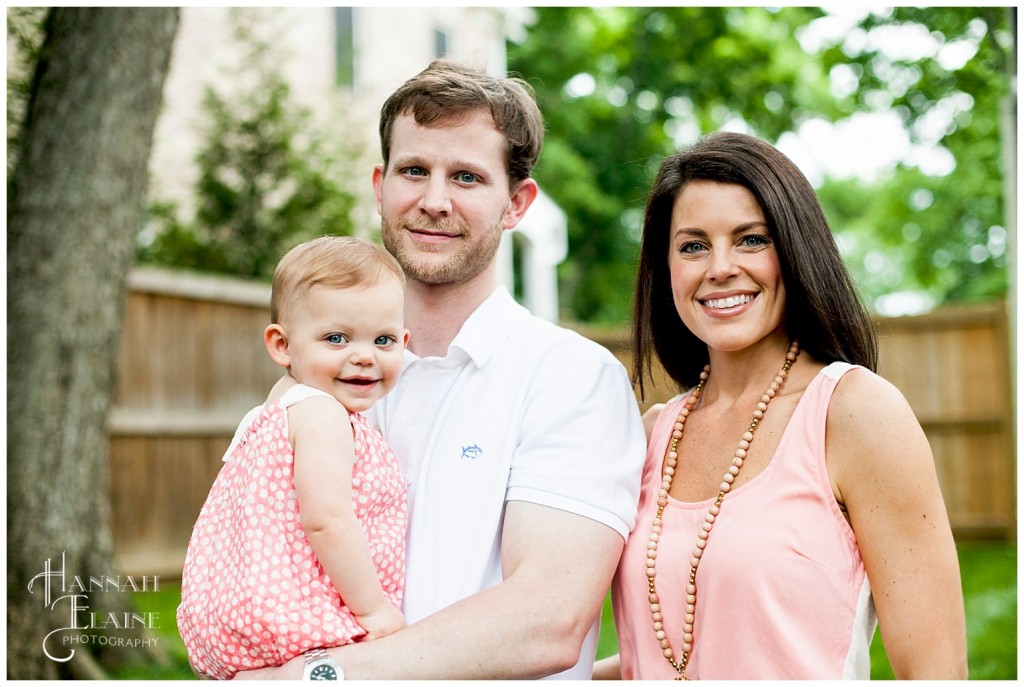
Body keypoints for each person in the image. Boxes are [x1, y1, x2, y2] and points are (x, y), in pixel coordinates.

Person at [238, 59, 647, 680]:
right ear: (379, 185)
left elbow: (547, 620)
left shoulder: (571, 378)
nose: (433, 201)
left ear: (516, 203)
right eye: (413, 171)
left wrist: (320, 678)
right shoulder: (318, 379)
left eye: (465, 177)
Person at [592, 131, 968, 680]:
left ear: (795, 250)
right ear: (666, 269)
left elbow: (936, 671)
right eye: (693, 245)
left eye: (751, 240)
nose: (719, 266)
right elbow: (674, 651)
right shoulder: (652, 433)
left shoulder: (855, 414)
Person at [177, 236, 410, 680]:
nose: (363, 356)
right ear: (282, 345)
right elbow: (328, 520)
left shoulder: (283, 403)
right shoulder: (323, 415)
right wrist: (375, 608)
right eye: (336, 338)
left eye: (383, 340)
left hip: (244, 615)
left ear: (404, 340)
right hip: (303, 622)